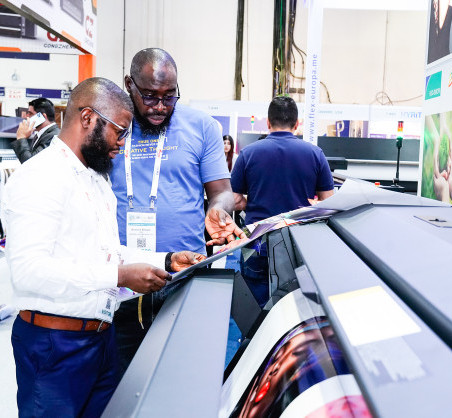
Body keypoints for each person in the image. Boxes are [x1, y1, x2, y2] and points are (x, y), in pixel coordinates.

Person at [0, 77, 204, 417]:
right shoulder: (40, 177)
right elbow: (29, 272)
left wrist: (167, 260)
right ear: (87, 118)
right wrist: (119, 276)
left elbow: (108, 253)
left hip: (102, 341)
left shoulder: (97, 180)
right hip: (54, 346)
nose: (122, 144)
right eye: (119, 132)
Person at [109, 48, 245, 375]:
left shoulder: (202, 126)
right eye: (150, 96)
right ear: (129, 84)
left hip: (184, 274)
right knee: (120, 380)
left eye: (169, 97)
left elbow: (222, 192)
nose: (159, 107)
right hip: (121, 279)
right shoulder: (112, 125)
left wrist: (218, 210)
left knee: (184, 375)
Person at [231, 96, 334, 306]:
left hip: (256, 241)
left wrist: (255, 201)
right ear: (297, 124)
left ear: (268, 122)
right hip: (298, 243)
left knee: (254, 306)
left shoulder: (248, 154)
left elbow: (235, 201)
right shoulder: (315, 154)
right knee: (296, 306)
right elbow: (328, 203)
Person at [12, 97, 60, 163]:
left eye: (30, 113)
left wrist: (21, 137)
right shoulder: (41, 134)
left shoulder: (53, 136)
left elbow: (31, 163)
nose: (27, 116)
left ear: (43, 116)